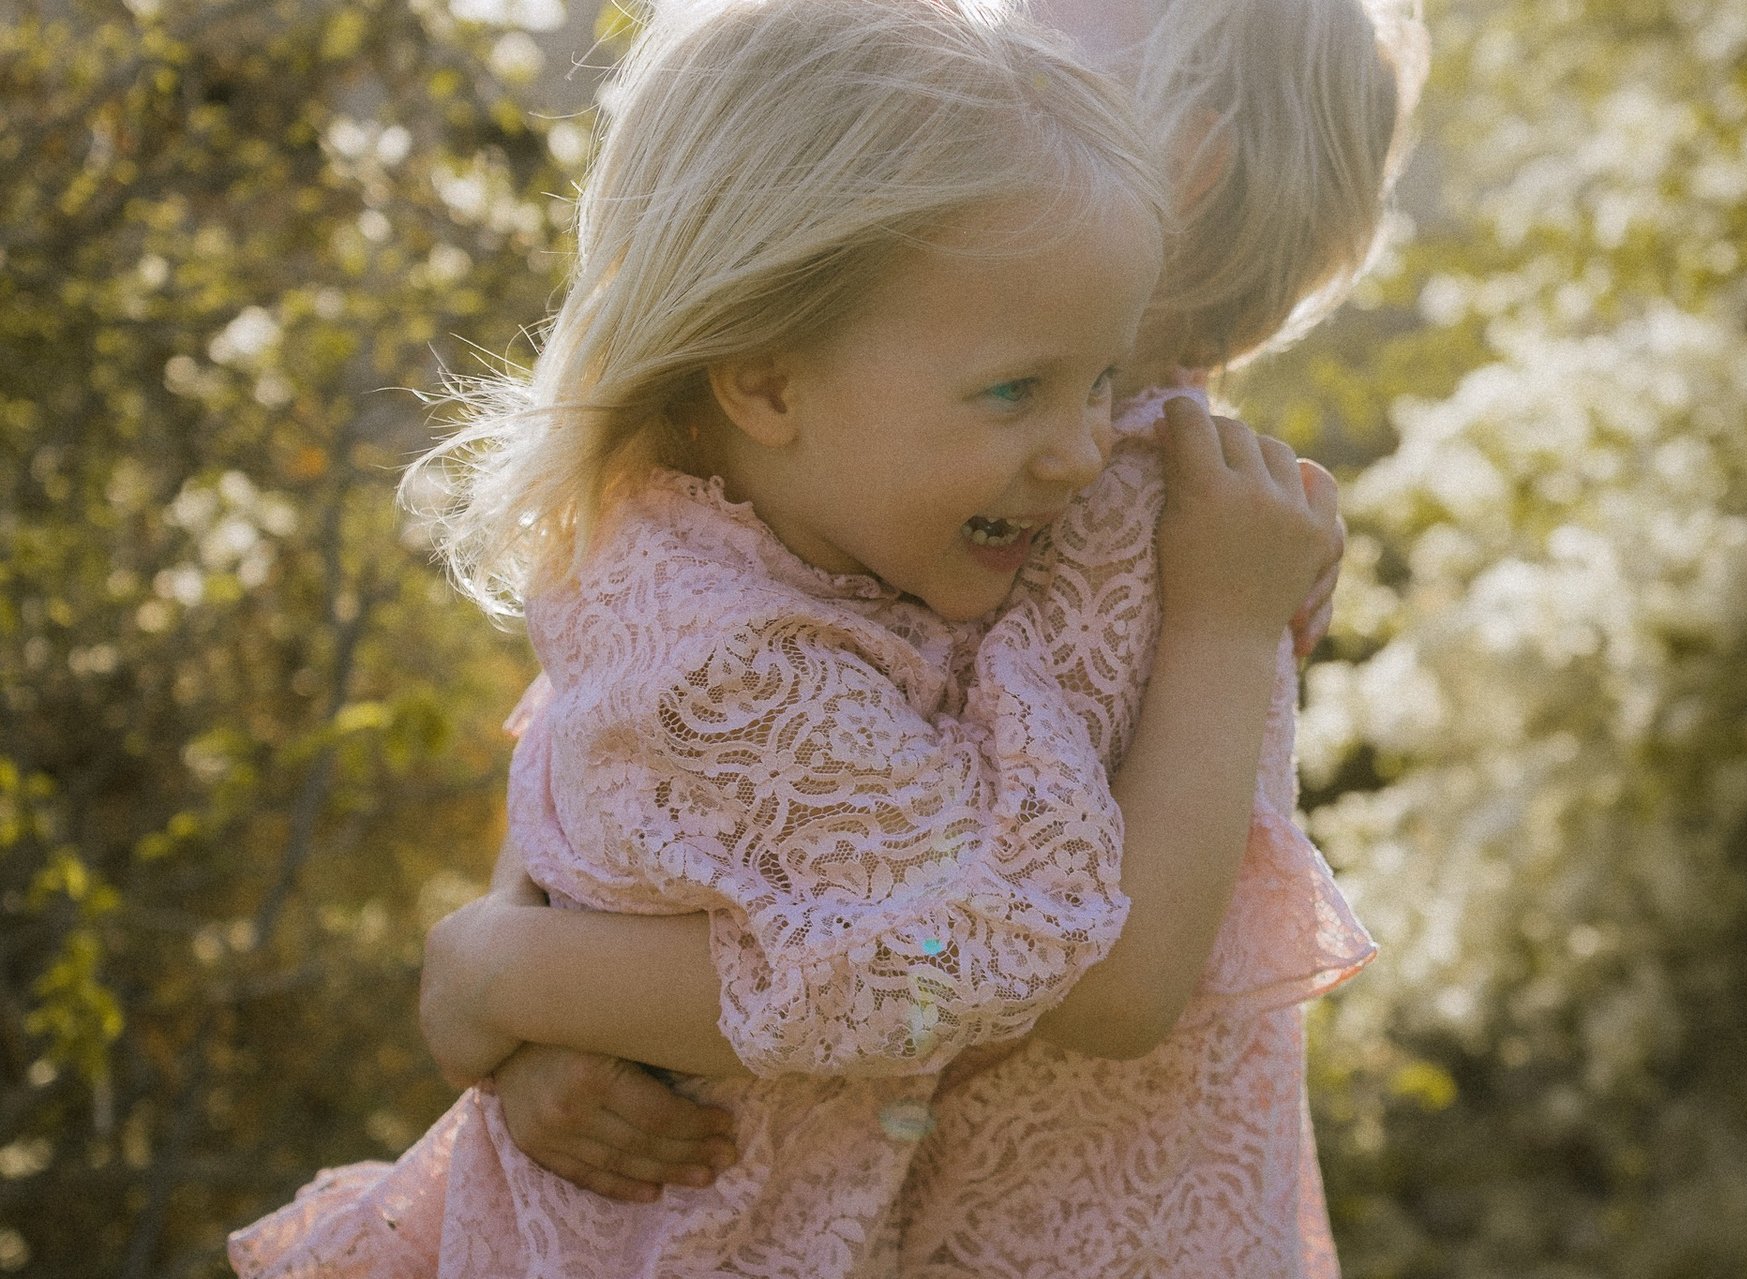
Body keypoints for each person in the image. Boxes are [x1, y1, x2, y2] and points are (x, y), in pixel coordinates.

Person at [229, 1, 1345, 1276]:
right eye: (1020, 389)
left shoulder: (732, 516)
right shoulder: (735, 616)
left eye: (1097, 383)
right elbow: (1020, 968)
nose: (1088, 449)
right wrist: (511, 974)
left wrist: (514, 971)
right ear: (765, 380)